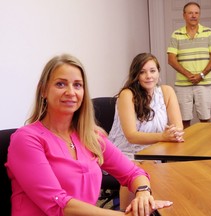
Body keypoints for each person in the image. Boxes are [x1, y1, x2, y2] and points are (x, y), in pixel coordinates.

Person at [5, 54, 173, 216]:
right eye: (60, 84)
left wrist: (143, 194)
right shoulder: (26, 139)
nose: (71, 92)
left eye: (77, 85)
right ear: (43, 90)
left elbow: (134, 173)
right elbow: (57, 204)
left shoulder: (91, 136)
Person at [108, 53, 184, 210]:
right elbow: (131, 136)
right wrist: (164, 136)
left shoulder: (166, 92)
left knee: (155, 170)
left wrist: (174, 133)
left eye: (152, 71)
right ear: (136, 75)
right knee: (136, 171)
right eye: (142, 72)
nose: (148, 76)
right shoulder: (127, 94)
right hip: (124, 152)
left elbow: (178, 127)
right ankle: (124, 212)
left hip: (153, 152)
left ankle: (147, 210)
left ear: (158, 72)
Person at [167, 1, 211, 128]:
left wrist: (201, 75)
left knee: (205, 119)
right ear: (184, 15)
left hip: (204, 83)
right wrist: (189, 75)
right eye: (190, 13)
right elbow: (171, 59)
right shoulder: (176, 34)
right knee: (184, 120)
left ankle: (207, 147)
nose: (194, 16)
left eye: (196, 13)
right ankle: (187, 147)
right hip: (183, 85)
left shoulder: (208, 32)